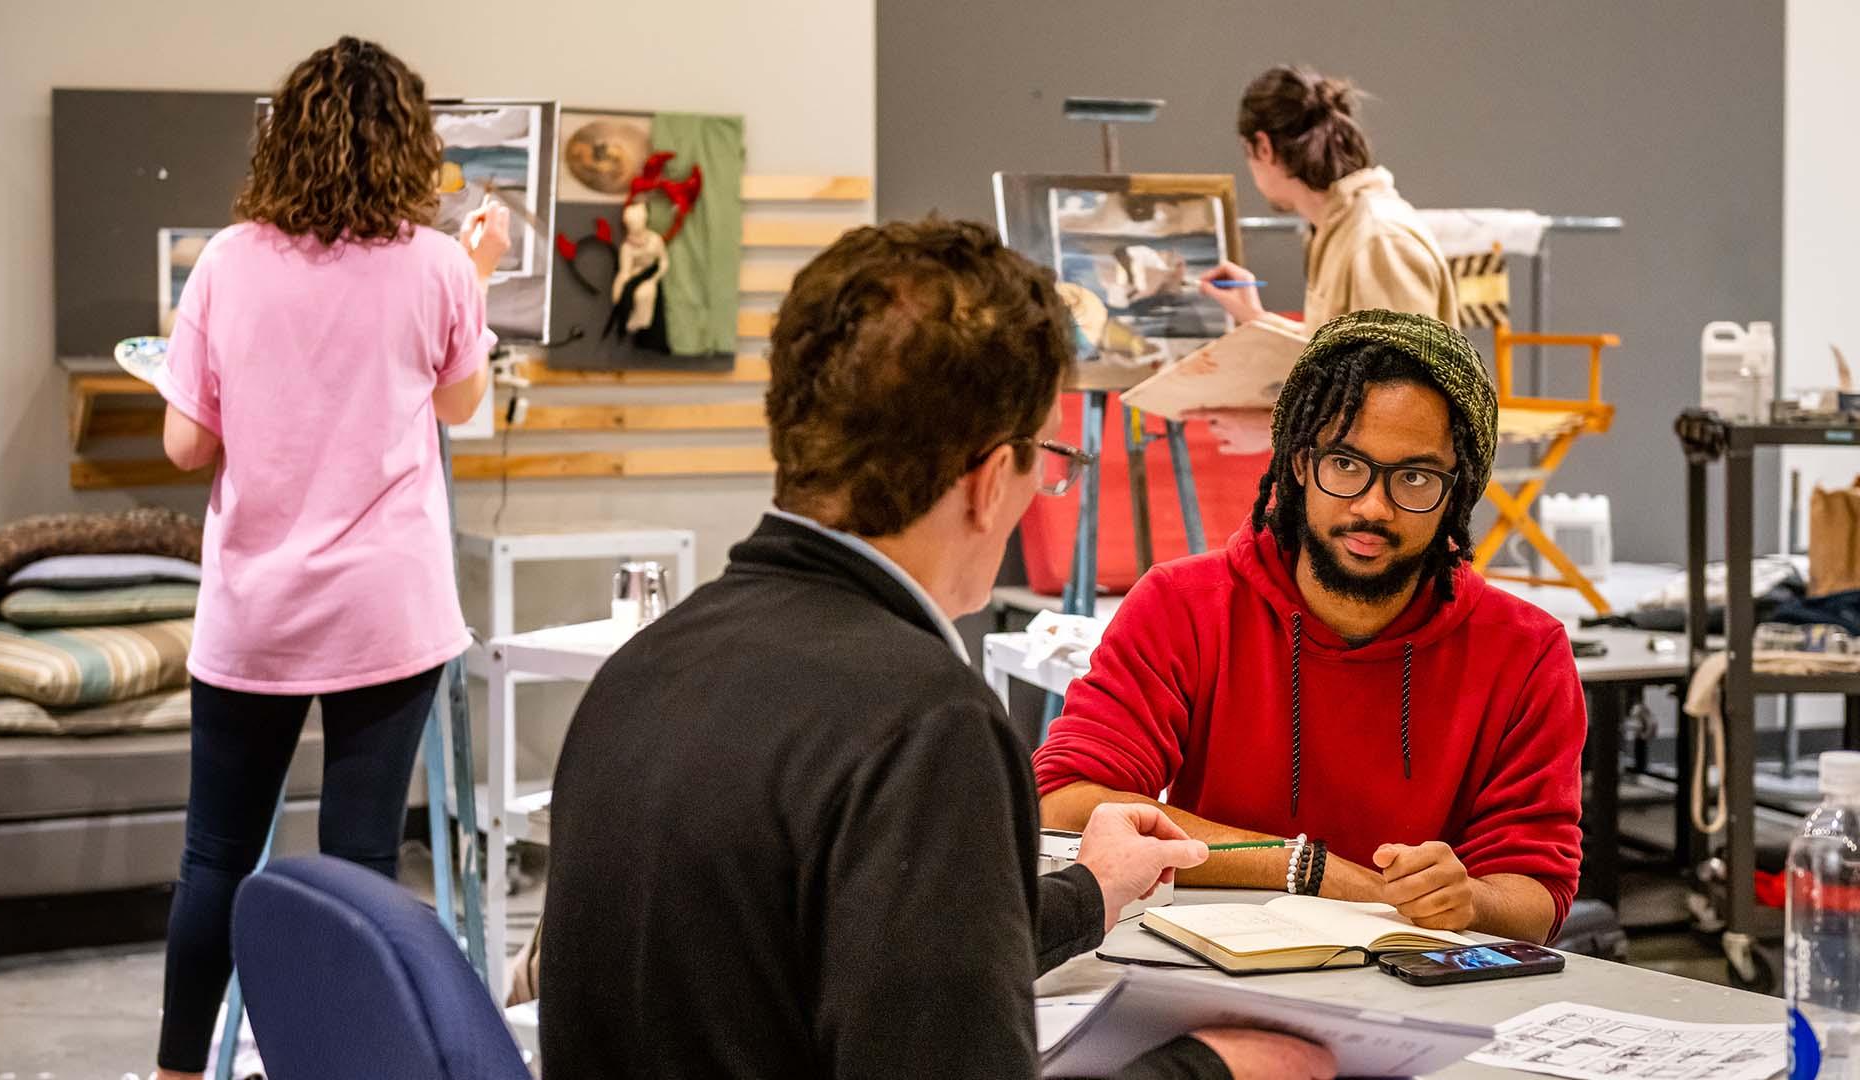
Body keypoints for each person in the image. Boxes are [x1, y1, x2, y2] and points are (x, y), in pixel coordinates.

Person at [539, 219, 1333, 1080]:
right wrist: (1210, 1071)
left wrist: (1090, 894)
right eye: (1050, 460)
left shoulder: (648, 667)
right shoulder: (924, 722)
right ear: (992, 481)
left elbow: (839, 938)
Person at [149, 37, 510, 1080]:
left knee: (214, 857)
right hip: (384, 612)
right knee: (357, 868)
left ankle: (179, 1074)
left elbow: (187, 446)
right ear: (410, 143)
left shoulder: (226, 261)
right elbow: (457, 403)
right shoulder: (439, 265)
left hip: (253, 611)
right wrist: (476, 274)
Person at [1035, 311, 1583, 946]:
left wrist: (1471, 899)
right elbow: (1068, 803)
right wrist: (1314, 871)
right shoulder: (1183, 605)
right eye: (1346, 465)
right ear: (1299, 462)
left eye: (1414, 478)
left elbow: (1536, 895)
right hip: (1211, 977)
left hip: (1423, 992)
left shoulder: (1525, 651)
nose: (1372, 507)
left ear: (1457, 492)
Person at [1191, 66, 1459, 454]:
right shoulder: (1338, 230)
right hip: (1359, 480)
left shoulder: (1377, 239)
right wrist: (1258, 319)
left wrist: (1274, 429)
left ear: (1263, 148)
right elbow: (1347, 356)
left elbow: (1401, 401)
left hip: (1388, 495)